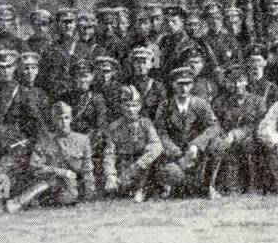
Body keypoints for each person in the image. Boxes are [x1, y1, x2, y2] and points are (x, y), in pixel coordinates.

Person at [4, 102, 95, 213]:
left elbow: (87, 169)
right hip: (53, 187)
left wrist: (88, 195)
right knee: (48, 180)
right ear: (53, 120)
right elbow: (35, 165)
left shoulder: (82, 140)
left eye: (66, 118)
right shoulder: (45, 140)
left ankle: (27, 202)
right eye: (59, 118)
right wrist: (61, 172)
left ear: (71, 119)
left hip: (74, 188)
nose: (63, 122)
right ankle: (18, 202)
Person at [155, 67, 225, 199]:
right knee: (174, 174)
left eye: (187, 84)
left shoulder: (200, 104)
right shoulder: (165, 106)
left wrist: (196, 145)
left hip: (196, 153)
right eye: (179, 84)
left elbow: (214, 126)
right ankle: (171, 187)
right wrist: (176, 153)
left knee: (218, 144)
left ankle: (210, 186)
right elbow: (160, 132)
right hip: (175, 154)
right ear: (173, 84)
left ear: (192, 85)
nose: (184, 88)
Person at [101, 85, 164, 202]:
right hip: (123, 167)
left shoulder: (146, 124)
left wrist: (138, 165)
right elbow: (109, 153)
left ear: (139, 107)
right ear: (121, 107)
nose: (130, 109)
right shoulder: (114, 127)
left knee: (151, 162)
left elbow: (157, 147)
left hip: (141, 168)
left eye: (134, 105)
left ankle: (141, 189)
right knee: (113, 187)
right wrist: (110, 175)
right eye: (127, 105)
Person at [217, 63, 268, 194]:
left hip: (251, 137)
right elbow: (217, 123)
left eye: (240, 81)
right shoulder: (221, 102)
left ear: (246, 82)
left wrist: (237, 133)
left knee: (247, 144)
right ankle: (230, 186)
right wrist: (225, 134)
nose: (236, 85)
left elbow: (259, 123)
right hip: (227, 137)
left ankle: (253, 185)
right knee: (223, 147)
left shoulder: (257, 101)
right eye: (233, 82)